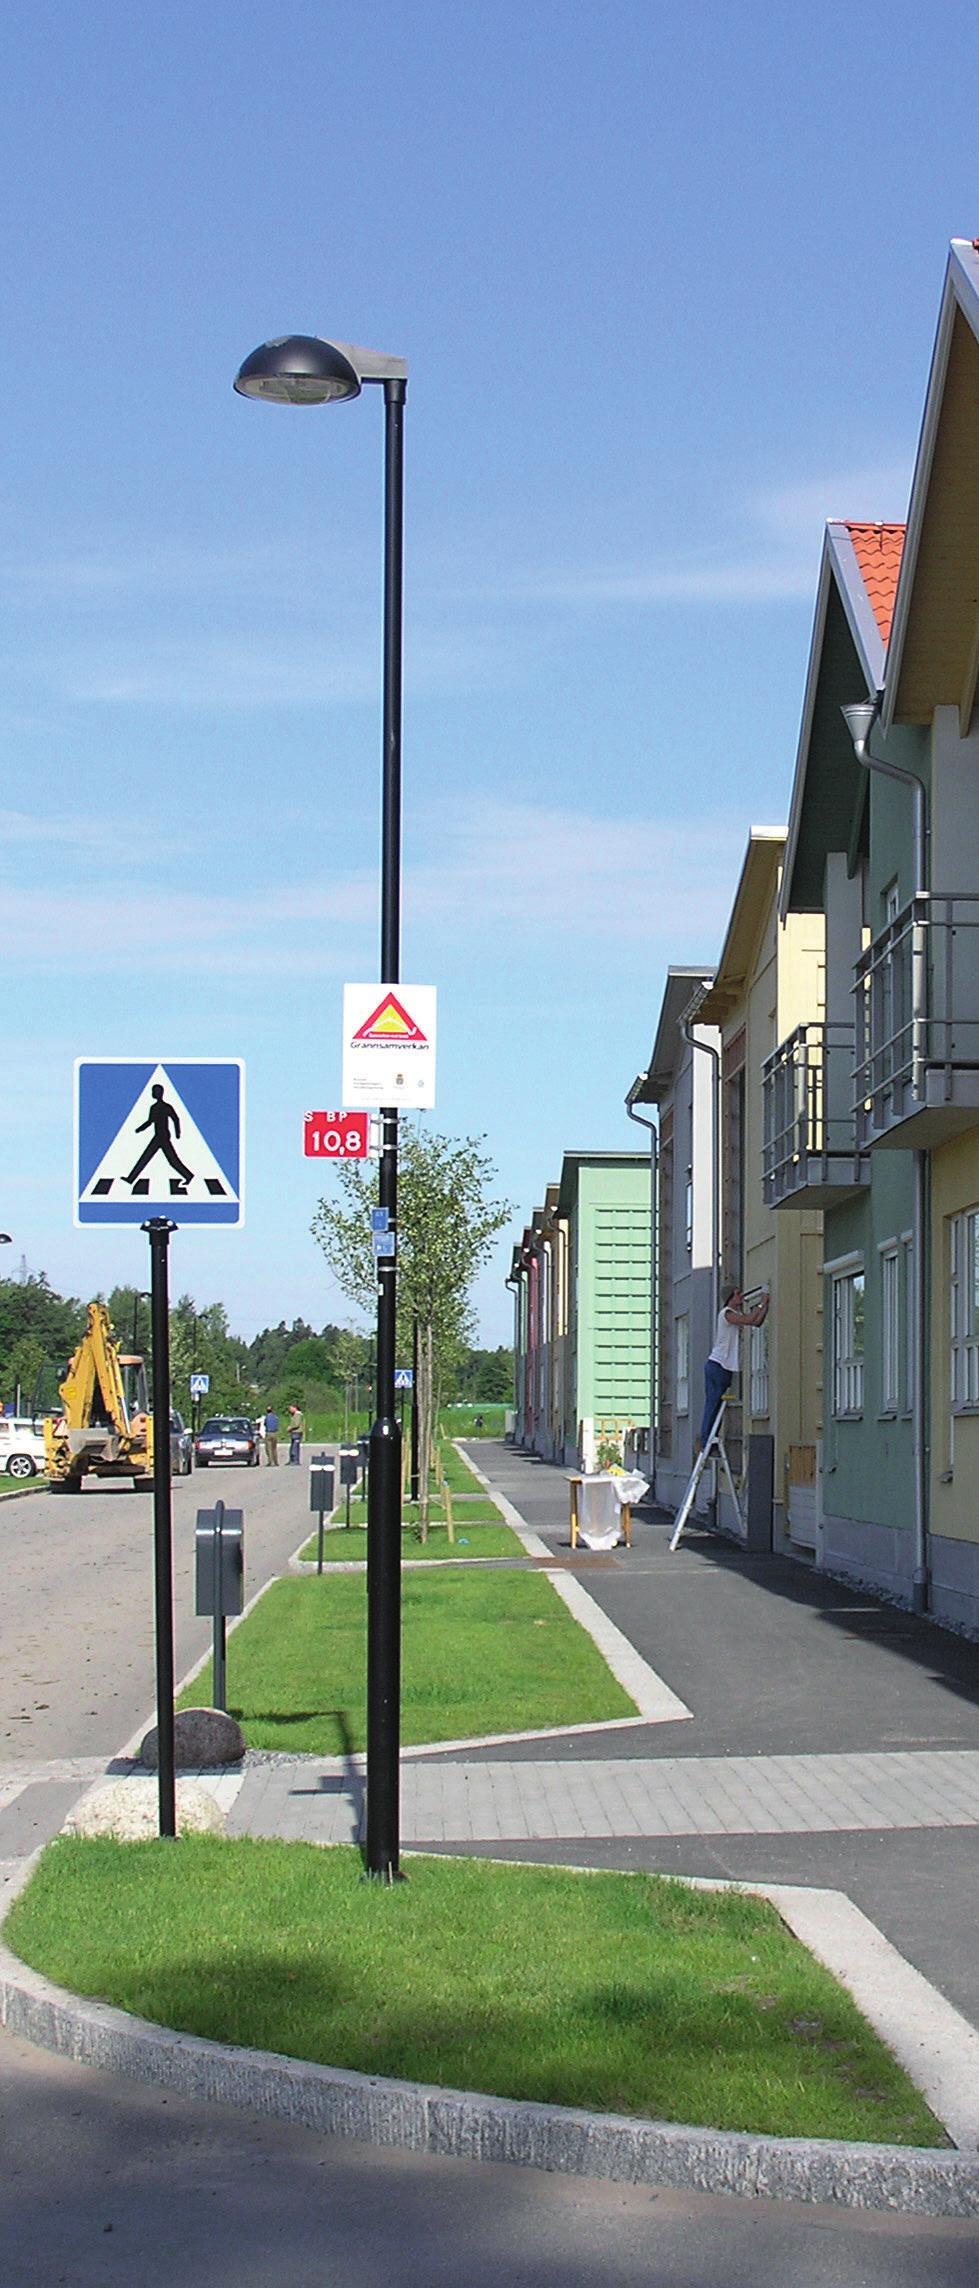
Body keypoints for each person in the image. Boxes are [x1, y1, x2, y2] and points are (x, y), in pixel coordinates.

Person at [699, 1285, 769, 1453]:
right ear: (731, 1297)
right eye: (738, 1293)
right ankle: (706, 1441)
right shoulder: (727, 1314)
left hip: (724, 1367)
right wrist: (762, 1303)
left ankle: (711, 1440)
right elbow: (751, 1319)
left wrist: (764, 1305)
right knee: (712, 1404)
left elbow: (757, 1322)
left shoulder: (735, 1315)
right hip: (717, 1364)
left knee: (717, 1405)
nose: (741, 1296)